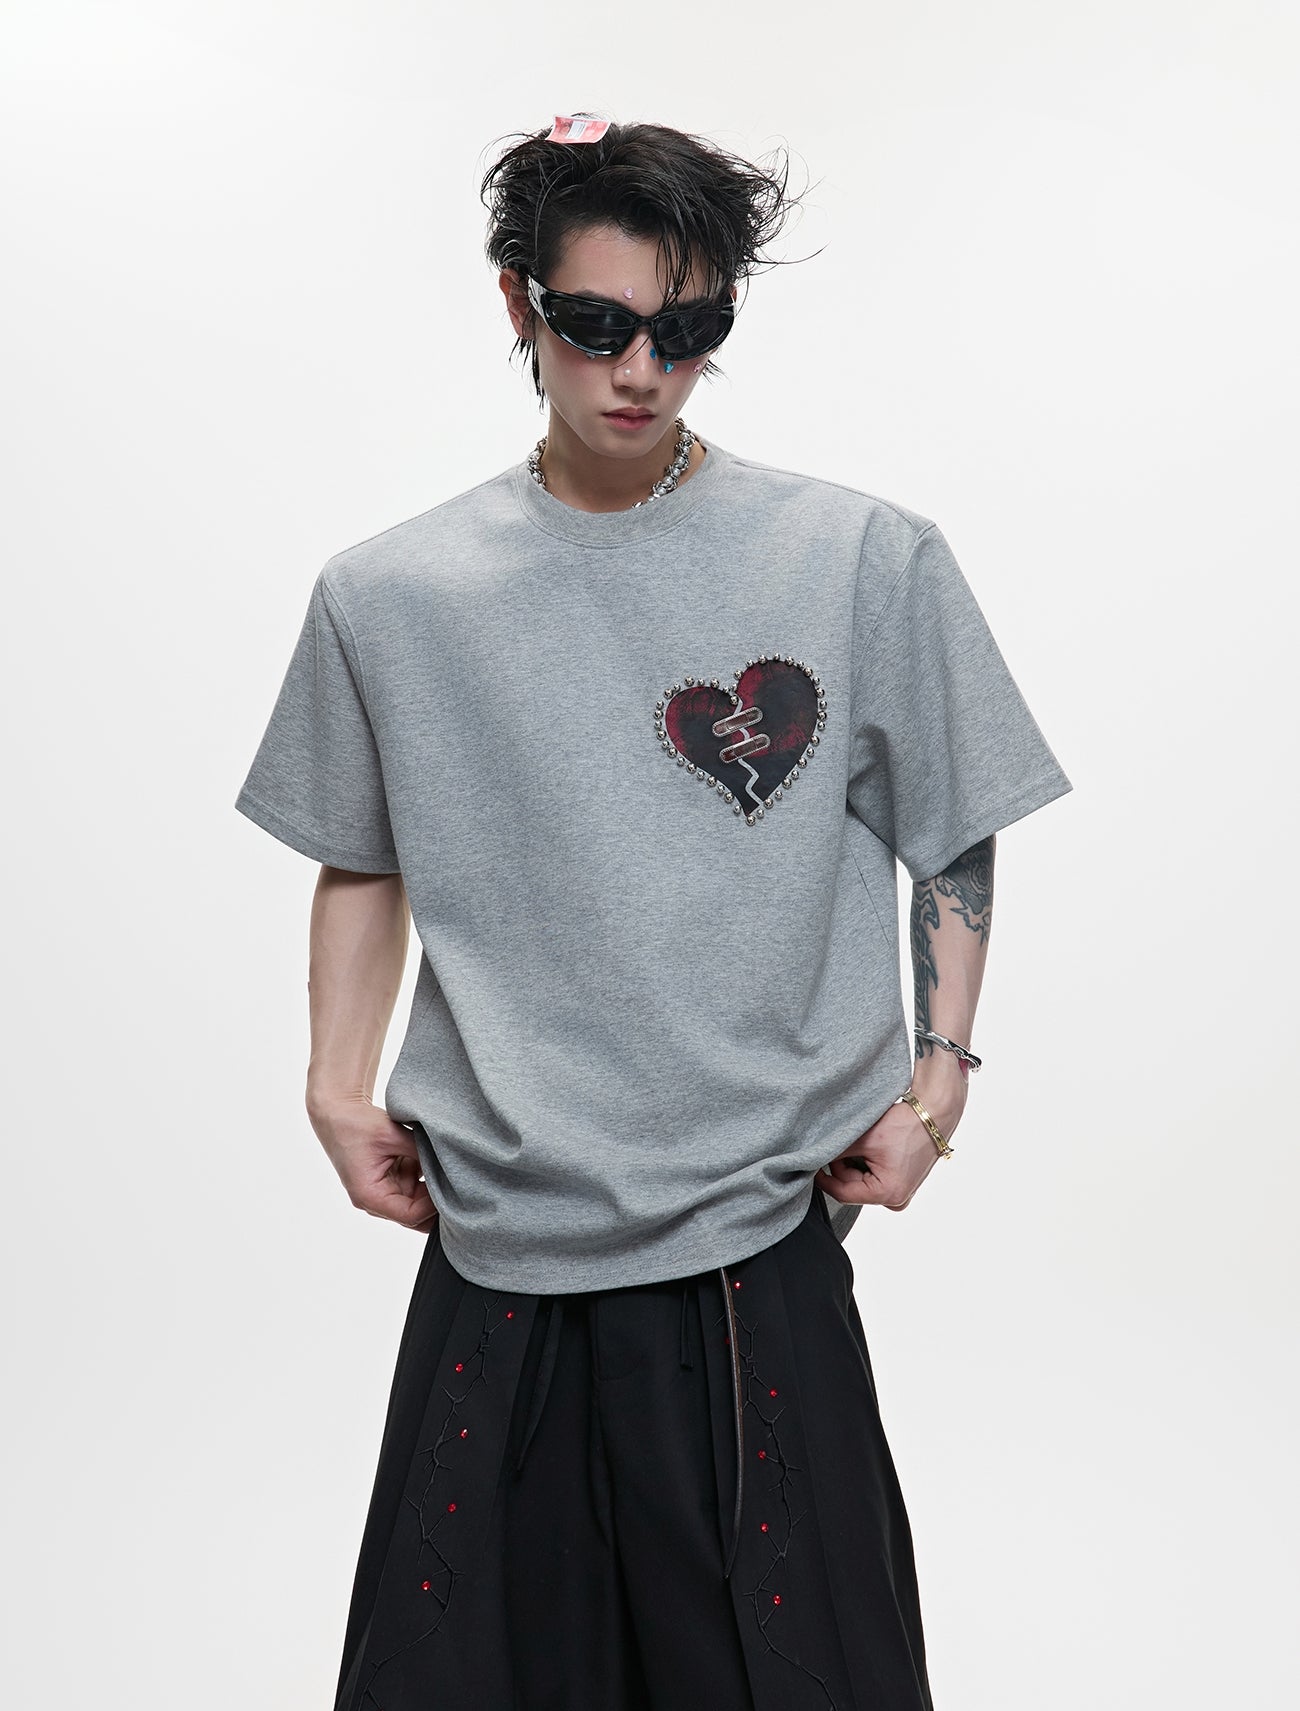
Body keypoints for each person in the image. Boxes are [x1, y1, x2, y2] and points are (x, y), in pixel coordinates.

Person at [235, 114, 1071, 1711]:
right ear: (517, 302)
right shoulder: (390, 595)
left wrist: (940, 1080)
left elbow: (951, 823)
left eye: (687, 332)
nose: (641, 371)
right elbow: (363, 851)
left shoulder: (859, 555)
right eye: (597, 323)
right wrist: (336, 1084)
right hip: (505, 1228)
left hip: (761, 1233)